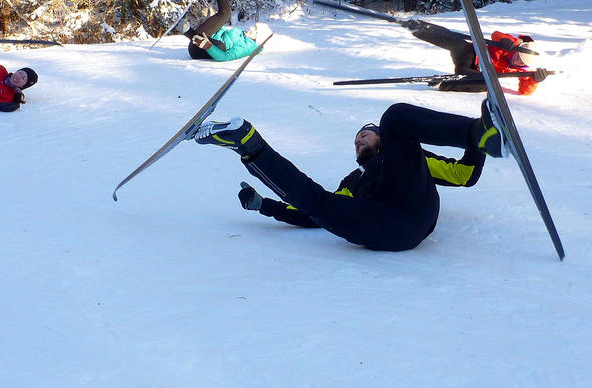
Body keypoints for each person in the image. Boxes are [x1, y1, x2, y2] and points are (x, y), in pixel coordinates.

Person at [193, 100, 503, 251]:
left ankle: (479, 132)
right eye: (356, 138)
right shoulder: (352, 183)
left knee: (395, 116)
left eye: (366, 135)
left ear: (382, 140)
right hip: (382, 227)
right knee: (319, 200)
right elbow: (312, 214)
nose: (359, 140)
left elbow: (465, 175)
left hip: (413, 210)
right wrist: (265, 206)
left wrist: (478, 148)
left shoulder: (410, 161)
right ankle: (247, 143)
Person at [402, 19, 548, 94]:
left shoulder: (521, 71)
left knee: (487, 84)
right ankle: (416, 27)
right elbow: (496, 35)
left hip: (473, 75)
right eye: (518, 56)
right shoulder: (511, 44)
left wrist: (535, 81)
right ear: (518, 49)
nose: (516, 60)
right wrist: (506, 41)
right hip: (470, 55)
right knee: (457, 42)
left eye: (520, 62)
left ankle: (443, 83)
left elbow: (524, 91)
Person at [182, 0, 270, 61]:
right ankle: (185, 29)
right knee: (224, 16)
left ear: (257, 38)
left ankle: (188, 32)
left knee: (222, 44)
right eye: (254, 27)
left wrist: (208, 46)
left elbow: (225, 57)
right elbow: (222, 32)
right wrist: (215, 20)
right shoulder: (241, 34)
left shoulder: (245, 47)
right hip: (200, 38)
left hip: (199, 50)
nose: (251, 28)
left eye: (255, 30)